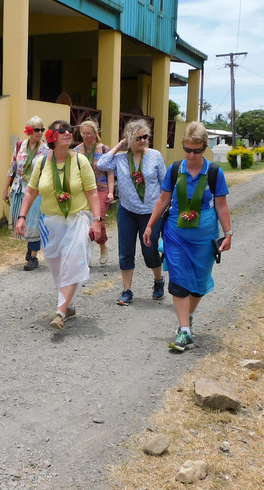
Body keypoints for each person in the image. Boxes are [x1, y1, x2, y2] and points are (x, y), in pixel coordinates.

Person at [142, 121, 232, 352]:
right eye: (188, 150)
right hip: (176, 235)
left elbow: (221, 206)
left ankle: (187, 317)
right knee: (179, 281)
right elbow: (163, 200)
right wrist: (150, 225)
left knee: (199, 284)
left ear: (205, 148)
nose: (191, 155)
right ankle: (184, 331)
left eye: (197, 150)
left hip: (204, 237)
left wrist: (228, 233)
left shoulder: (214, 172)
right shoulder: (174, 170)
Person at [16, 120, 105, 329]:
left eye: (69, 129)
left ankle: (60, 312)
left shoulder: (80, 161)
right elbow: (31, 191)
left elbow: (92, 193)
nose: (68, 132)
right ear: (52, 137)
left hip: (78, 219)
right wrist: (22, 217)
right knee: (57, 266)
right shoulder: (41, 163)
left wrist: (97, 221)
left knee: (73, 262)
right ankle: (70, 305)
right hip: (51, 222)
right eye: (61, 130)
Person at [97, 118, 167, 306]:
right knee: (126, 251)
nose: (143, 140)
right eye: (138, 138)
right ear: (129, 139)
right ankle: (127, 290)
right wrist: (120, 145)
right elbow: (102, 164)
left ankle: (158, 280)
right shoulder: (120, 159)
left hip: (151, 212)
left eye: (145, 136)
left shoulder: (155, 156)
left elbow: (165, 183)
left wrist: (164, 208)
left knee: (150, 251)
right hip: (127, 211)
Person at [3, 116, 49, 270]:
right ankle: (31, 246)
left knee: (33, 222)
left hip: (37, 190)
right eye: (37, 130)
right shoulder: (20, 146)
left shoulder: (46, 149)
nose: (40, 132)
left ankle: (34, 257)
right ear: (29, 130)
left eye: (42, 129)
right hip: (20, 188)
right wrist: (5, 189)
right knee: (22, 220)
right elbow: (13, 168)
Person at [75, 119, 114, 265]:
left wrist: (111, 191)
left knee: (100, 221)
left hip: (101, 189)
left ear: (95, 133)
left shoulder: (104, 149)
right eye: (83, 133)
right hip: (84, 191)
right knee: (85, 222)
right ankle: (87, 253)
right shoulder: (77, 150)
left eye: (88, 133)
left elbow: (110, 173)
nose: (85, 136)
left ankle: (103, 245)